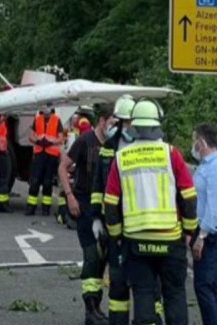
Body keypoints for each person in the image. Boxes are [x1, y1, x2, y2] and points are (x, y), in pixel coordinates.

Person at [104, 99, 198, 325]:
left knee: (143, 297)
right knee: (175, 297)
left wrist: (116, 236)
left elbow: (110, 203)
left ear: (134, 127)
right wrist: (190, 230)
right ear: (157, 125)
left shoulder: (121, 158)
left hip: (136, 242)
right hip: (170, 239)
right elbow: (188, 196)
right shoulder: (171, 154)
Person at [59, 103, 113, 325]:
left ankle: (97, 307)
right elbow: (63, 166)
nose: (114, 126)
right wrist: (69, 196)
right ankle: (90, 309)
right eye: (112, 122)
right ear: (102, 121)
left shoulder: (114, 144)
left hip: (105, 211)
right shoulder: (85, 141)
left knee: (102, 260)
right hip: (84, 206)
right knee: (91, 257)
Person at [89, 95, 137, 325]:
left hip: (138, 223)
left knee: (145, 283)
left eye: (130, 122)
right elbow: (99, 184)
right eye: (124, 122)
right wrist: (97, 218)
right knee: (117, 281)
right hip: (114, 222)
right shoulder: (109, 147)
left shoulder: (147, 147)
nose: (127, 126)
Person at [192, 123, 217, 325]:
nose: (193, 146)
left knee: (204, 286)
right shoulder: (206, 165)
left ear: (201, 142)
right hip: (206, 232)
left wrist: (202, 236)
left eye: (194, 141)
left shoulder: (214, 166)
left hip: (209, 235)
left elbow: (213, 205)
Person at [26, 104, 64, 216]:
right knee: (35, 181)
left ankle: (46, 208)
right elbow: (31, 136)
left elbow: (61, 137)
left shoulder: (57, 120)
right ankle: (30, 207)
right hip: (39, 153)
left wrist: (51, 142)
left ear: (51, 109)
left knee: (48, 182)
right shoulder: (37, 120)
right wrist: (37, 141)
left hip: (51, 154)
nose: (45, 111)